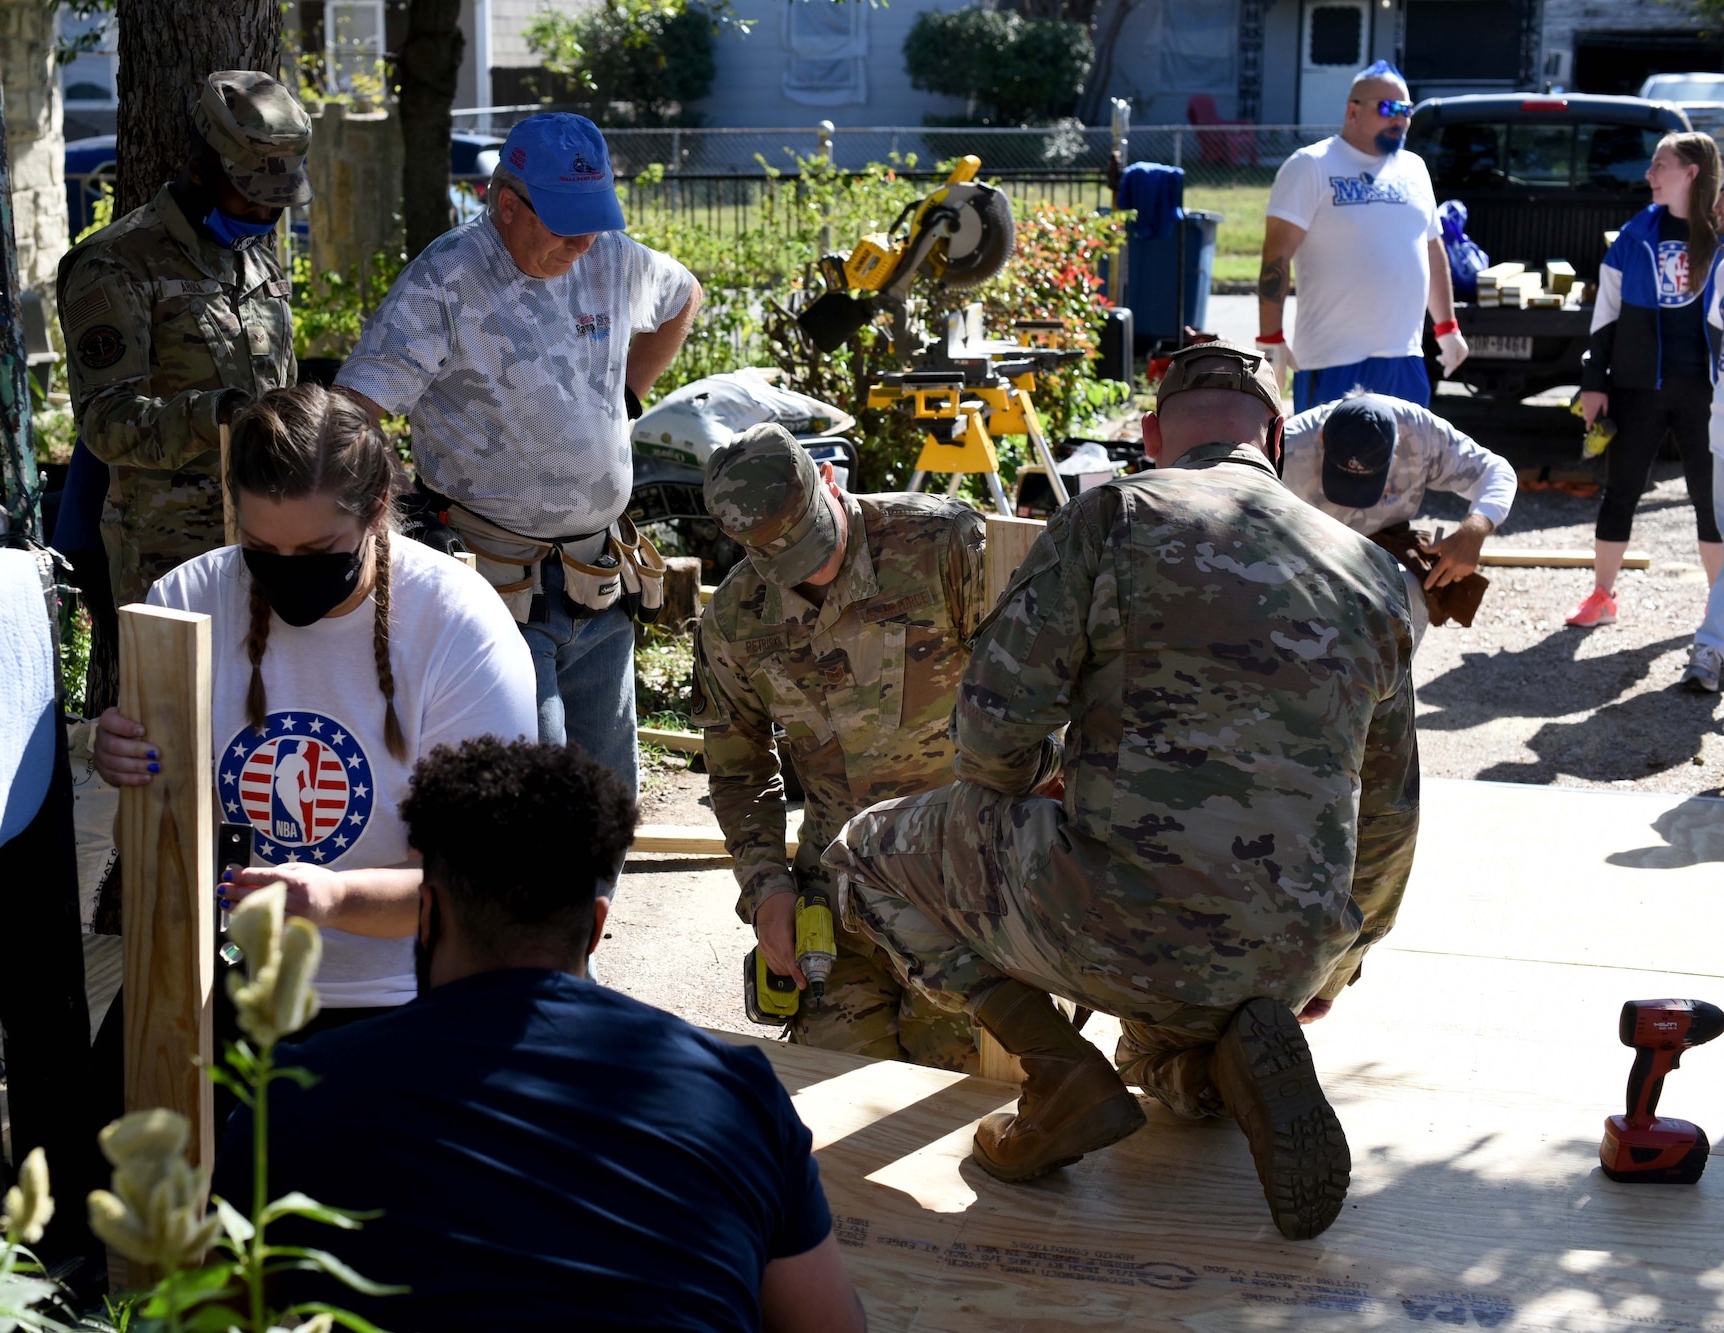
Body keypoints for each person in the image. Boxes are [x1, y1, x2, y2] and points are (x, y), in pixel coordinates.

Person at [824, 341, 1420, 1242]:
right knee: (1182, 990)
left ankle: (1057, 1067)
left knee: (863, 851)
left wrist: (1045, 790)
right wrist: (1334, 962)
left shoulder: (1113, 518)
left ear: (1152, 434)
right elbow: (1390, 820)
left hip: (1114, 923)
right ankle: (1211, 1068)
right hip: (1289, 951)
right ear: (1272, 435)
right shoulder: (1371, 573)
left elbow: (988, 739)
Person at [217, 737, 866, 1332]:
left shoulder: (286, 1105)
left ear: (427, 915)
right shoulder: (738, 1096)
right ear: (594, 926)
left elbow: (215, 1309)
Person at [93, 384, 536, 1029]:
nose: (286, 574)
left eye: (318, 552)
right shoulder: (186, 601)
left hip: (406, 996)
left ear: (377, 508)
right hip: (222, 979)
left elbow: (486, 889)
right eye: (262, 551)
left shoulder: (455, 624)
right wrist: (126, 761)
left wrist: (333, 898)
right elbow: (148, 836)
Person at [333, 112, 702, 801]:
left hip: (596, 575)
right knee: (531, 791)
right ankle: (532, 912)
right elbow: (355, 412)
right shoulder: (446, 280)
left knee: (606, 790)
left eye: (595, 220)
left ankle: (594, 913)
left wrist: (626, 393)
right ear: (508, 207)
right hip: (493, 581)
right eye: (566, 225)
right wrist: (389, 517)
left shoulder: (612, 256)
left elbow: (685, 297)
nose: (584, 241)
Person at [691, 423, 981, 1071]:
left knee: (957, 1099)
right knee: (832, 1101)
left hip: (959, 897)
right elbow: (738, 770)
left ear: (830, 478)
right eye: (785, 561)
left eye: (816, 541)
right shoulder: (736, 619)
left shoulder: (946, 546)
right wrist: (767, 889)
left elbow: (1045, 701)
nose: (812, 569)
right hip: (840, 909)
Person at [57, 70, 309, 611]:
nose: (267, 215)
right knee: (181, 697)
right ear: (200, 171)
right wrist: (211, 416)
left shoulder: (252, 250)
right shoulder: (116, 264)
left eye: (277, 202)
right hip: (171, 559)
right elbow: (105, 421)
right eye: (251, 198)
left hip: (270, 540)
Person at [1569, 132, 1724, 633]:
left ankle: (1716, 611)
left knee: (1711, 500)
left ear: (1691, 172)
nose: (1649, 175)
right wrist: (1594, 381)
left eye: (1660, 165)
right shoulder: (1634, 236)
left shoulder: (1722, 236)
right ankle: (1601, 596)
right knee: (1621, 492)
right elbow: (1605, 316)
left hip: (1707, 392)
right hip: (1638, 386)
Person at [1256, 60, 1469, 412]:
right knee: (1329, 466)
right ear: (1352, 112)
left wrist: (1447, 327)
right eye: (1388, 108)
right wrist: (1270, 339)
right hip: (1331, 359)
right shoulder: (1311, 165)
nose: (1399, 119)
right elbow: (1275, 256)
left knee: (1409, 465)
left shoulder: (1415, 168)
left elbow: (1432, 251)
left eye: (1406, 110)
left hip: (1404, 357)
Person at [1282, 393, 1517, 648]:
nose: (1351, 501)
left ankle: (1394, 682)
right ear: (1322, 438)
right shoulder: (1287, 445)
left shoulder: (1419, 433)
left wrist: (1475, 529)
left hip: (1376, 550)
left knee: (1410, 590)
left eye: (1366, 483)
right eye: (1345, 479)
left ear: (1396, 448)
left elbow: (1495, 471)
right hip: (1302, 552)